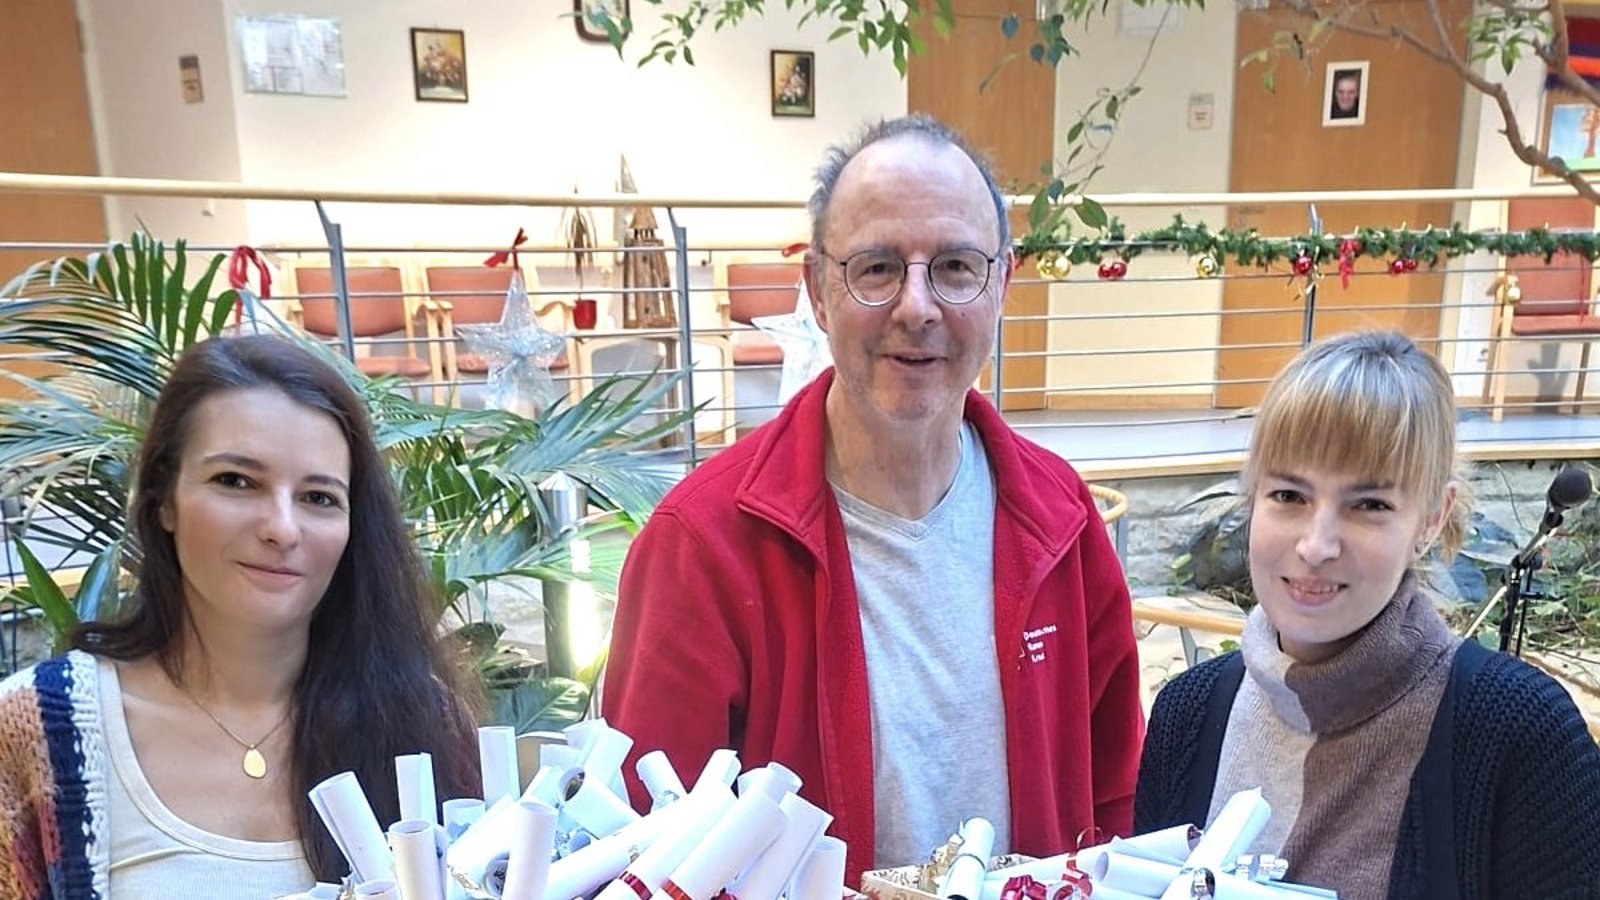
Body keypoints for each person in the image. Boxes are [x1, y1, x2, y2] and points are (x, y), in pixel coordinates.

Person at [602, 114, 1143, 883]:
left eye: (955, 266)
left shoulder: (1061, 519)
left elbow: (1117, 798)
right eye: (878, 268)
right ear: (818, 291)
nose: (918, 306)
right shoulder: (702, 545)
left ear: (1002, 285)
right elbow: (647, 855)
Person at [0, 335, 481, 898]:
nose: (282, 527)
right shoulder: (35, 732)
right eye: (236, 481)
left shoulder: (421, 719)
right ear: (163, 500)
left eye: (319, 497)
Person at [1134, 331, 1600, 899]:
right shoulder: (1188, 714)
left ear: (1432, 518)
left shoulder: (1516, 733)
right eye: (1289, 495)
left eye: (1369, 505)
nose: (1315, 545)